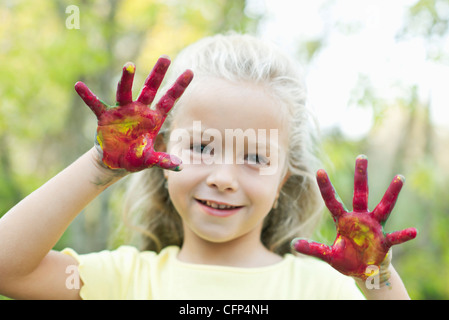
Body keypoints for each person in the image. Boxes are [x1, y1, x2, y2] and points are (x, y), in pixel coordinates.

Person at [0, 33, 416, 300]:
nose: (222, 178)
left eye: (255, 157)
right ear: (157, 155)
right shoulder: (125, 280)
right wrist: (103, 163)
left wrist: (375, 278)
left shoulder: (320, 289)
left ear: (282, 180)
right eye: (202, 146)